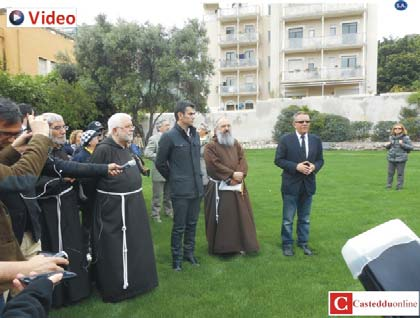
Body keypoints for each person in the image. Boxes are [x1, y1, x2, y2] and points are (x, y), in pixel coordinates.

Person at [35, 113, 122, 308]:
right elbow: (34, 181)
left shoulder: (58, 149)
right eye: (57, 127)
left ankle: (77, 290)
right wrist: (61, 181)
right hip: (51, 212)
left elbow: (71, 167)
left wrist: (100, 169)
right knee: (58, 251)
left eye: (63, 127)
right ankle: (60, 295)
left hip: (67, 207)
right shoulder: (38, 152)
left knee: (74, 247)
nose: (62, 131)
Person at [88, 113, 158, 302]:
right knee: (114, 247)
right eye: (127, 126)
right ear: (115, 130)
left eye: (131, 126)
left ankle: (140, 282)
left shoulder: (127, 148)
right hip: (112, 209)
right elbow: (90, 181)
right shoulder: (103, 150)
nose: (131, 129)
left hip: (133, 205)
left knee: (137, 243)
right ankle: (118, 287)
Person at [156, 101, 203, 271]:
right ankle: (176, 260)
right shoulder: (169, 136)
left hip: (197, 188)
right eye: (190, 113)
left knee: (192, 224)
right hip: (180, 190)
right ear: (180, 115)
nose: (193, 116)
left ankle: (189, 254)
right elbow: (160, 163)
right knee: (179, 226)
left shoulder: (195, 134)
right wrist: (174, 178)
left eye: (193, 113)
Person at [203, 117, 259, 256]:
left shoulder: (235, 143)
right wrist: (230, 175)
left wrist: (240, 175)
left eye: (228, 125)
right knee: (224, 218)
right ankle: (223, 248)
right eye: (223, 126)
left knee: (241, 216)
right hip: (219, 188)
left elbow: (242, 160)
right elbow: (213, 164)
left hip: (237, 186)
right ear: (216, 129)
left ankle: (241, 244)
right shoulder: (210, 146)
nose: (226, 128)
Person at [274, 111, 324, 257]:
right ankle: (287, 244)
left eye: (307, 122)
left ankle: (303, 243)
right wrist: (296, 166)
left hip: (308, 185)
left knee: (305, 218)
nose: (304, 124)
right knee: (288, 219)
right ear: (294, 124)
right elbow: (278, 160)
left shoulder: (315, 140)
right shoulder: (286, 139)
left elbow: (321, 160)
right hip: (291, 185)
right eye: (301, 122)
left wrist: (315, 167)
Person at [144, 119, 173, 223]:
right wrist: (161, 157)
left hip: (170, 171)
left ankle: (169, 212)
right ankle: (155, 215)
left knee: (169, 195)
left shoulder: (171, 138)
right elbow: (147, 153)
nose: (168, 127)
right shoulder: (154, 138)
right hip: (158, 172)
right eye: (166, 125)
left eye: (169, 125)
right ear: (159, 127)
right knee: (157, 196)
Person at [385, 123, 413, 190]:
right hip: (391, 158)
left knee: (400, 174)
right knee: (390, 173)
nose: (397, 129)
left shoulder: (405, 138)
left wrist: (402, 144)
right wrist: (387, 145)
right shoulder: (391, 137)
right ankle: (388, 186)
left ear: (402, 129)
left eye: (399, 128)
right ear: (393, 130)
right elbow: (389, 148)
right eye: (395, 128)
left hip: (401, 159)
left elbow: (411, 148)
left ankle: (399, 187)